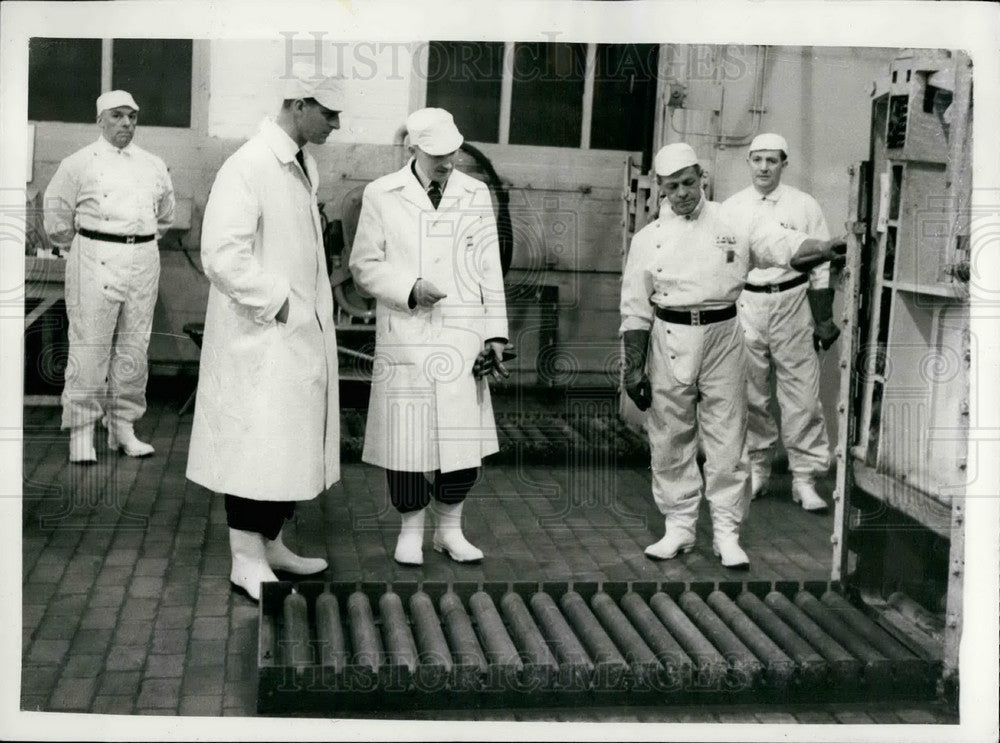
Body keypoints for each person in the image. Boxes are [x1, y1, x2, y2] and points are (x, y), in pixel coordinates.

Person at [620, 143, 845, 569]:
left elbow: (783, 246)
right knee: (670, 437)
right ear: (662, 189)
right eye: (673, 187)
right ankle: (680, 527)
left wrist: (827, 247)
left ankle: (726, 532)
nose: (683, 193)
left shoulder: (733, 221)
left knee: (728, 438)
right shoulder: (647, 240)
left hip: (724, 333)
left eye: (689, 182)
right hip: (668, 337)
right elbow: (634, 308)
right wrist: (632, 368)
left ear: (701, 176)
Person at [185, 69, 344, 601]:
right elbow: (221, 256)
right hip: (262, 335)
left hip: (296, 332)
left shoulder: (302, 164)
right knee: (255, 444)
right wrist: (279, 306)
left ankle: (271, 543)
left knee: (288, 443)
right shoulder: (250, 164)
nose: (337, 125)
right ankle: (245, 559)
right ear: (298, 105)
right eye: (330, 113)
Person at [349, 107, 509, 567]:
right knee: (407, 442)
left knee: (463, 443)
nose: (447, 162)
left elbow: (488, 269)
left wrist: (495, 333)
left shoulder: (475, 194)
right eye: (436, 153)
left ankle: (450, 529)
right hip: (407, 334)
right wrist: (409, 289)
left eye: (452, 152)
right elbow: (364, 265)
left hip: (463, 336)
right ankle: (410, 529)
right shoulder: (381, 193)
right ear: (411, 148)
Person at [44, 90, 175, 463]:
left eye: (132, 117)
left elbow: (164, 215)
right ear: (100, 120)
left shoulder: (153, 164)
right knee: (90, 346)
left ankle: (123, 428)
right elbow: (56, 217)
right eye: (117, 116)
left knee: (134, 346)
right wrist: (86, 246)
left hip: (143, 258)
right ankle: (82, 432)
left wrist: (137, 243)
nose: (126, 124)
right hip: (95, 256)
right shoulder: (78, 164)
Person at [723, 133, 836, 512]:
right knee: (750, 393)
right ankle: (758, 468)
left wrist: (823, 319)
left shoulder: (804, 205)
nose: (764, 168)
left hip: (792, 301)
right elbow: (723, 264)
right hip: (747, 304)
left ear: (784, 163)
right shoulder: (732, 208)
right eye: (757, 160)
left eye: (772, 160)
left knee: (802, 396)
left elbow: (821, 266)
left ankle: (804, 478)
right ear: (749, 162)